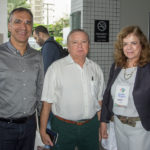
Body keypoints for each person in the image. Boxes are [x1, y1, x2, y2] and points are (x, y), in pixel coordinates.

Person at [40, 29, 105, 150]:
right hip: (63, 126)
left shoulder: (96, 69)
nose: (80, 46)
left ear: (89, 46)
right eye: (75, 42)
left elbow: (99, 101)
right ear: (68, 47)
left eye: (84, 42)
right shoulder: (55, 68)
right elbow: (46, 103)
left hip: (90, 126)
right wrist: (43, 131)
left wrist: (102, 125)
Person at [0, 7, 44, 150]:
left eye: (28, 22)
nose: (23, 27)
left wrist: (42, 126)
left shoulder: (37, 56)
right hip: (3, 128)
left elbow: (40, 90)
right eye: (18, 21)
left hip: (30, 126)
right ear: (9, 26)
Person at [100, 25, 150, 150]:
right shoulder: (117, 66)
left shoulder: (147, 68)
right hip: (118, 125)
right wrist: (103, 121)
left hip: (140, 127)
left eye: (133, 43)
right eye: (125, 44)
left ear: (142, 45)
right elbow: (108, 95)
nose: (129, 47)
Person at [33, 25, 61, 150]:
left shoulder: (49, 47)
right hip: (56, 91)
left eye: (35, 37)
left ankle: (47, 146)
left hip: (50, 93)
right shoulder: (54, 45)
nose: (35, 41)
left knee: (47, 122)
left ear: (40, 34)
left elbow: (45, 72)